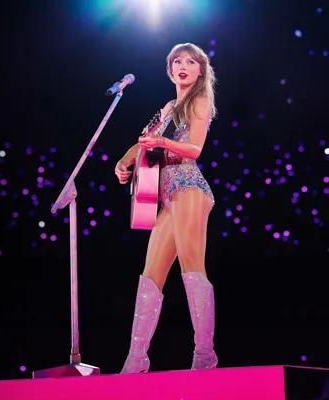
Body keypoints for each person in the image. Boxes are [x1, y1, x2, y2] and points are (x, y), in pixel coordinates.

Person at [113, 43, 218, 374]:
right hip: (166, 195)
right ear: (170, 70)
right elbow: (146, 142)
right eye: (177, 61)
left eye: (191, 61)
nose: (183, 65)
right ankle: (136, 358)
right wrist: (124, 160)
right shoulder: (170, 106)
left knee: (192, 267)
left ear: (200, 70)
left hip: (189, 187)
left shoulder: (199, 101)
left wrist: (161, 142)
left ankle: (204, 355)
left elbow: (194, 149)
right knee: (150, 275)